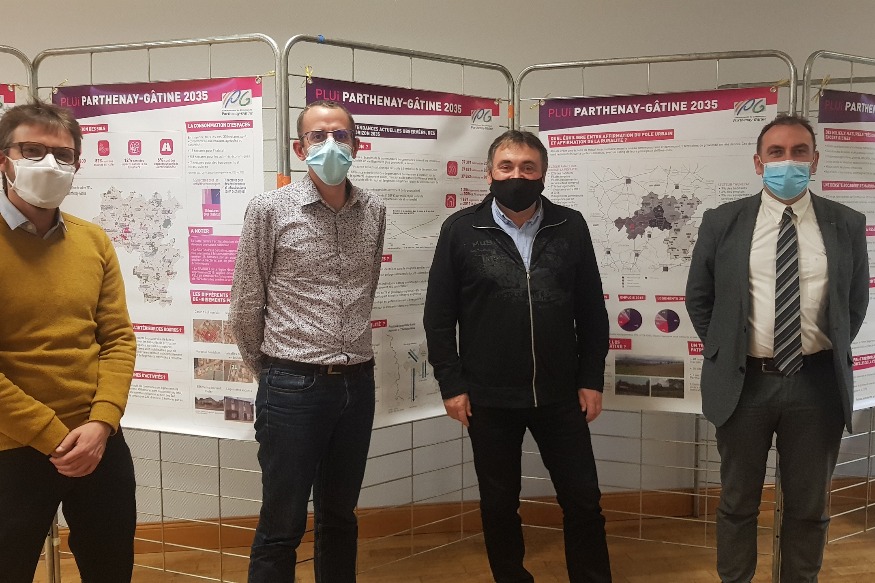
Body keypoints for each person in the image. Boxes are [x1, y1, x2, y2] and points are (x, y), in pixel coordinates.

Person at [685, 114, 869, 582]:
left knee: (809, 507)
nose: (789, 161)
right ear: (758, 162)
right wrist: (727, 350)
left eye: (799, 151)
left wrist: (818, 351)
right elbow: (700, 298)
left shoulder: (846, 223)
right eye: (777, 152)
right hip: (744, 384)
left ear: (815, 160)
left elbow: (853, 303)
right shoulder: (723, 221)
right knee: (737, 504)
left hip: (817, 386)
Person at [424, 130, 612, 582]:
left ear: (543, 173)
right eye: (506, 166)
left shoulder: (570, 225)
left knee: (583, 499)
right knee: (499, 504)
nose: (517, 176)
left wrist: (591, 378)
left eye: (528, 167)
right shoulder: (461, 230)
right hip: (489, 397)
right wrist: (452, 384)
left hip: (560, 393)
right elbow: (438, 316)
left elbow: (591, 310)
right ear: (489, 173)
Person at [230, 99, 386, 582]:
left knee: (340, 517)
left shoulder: (374, 211)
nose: (331, 144)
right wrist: (273, 372)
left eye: (341, 135)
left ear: (356, 145)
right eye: (318, 136)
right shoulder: (269, 210)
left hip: (357, 384)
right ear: (300, 149)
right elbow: (245, 305)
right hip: (292, 386)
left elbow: (367, 289)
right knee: (282, 523)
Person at [0, 101, 138, 582]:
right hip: (13, 446)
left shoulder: (93, 241)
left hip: (98, 442)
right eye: (32, 150)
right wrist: (53, 436)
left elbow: (118, 339)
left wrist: (102, 422)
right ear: (4, 160)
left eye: (63, 155)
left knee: (111, 568)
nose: (50, 164)